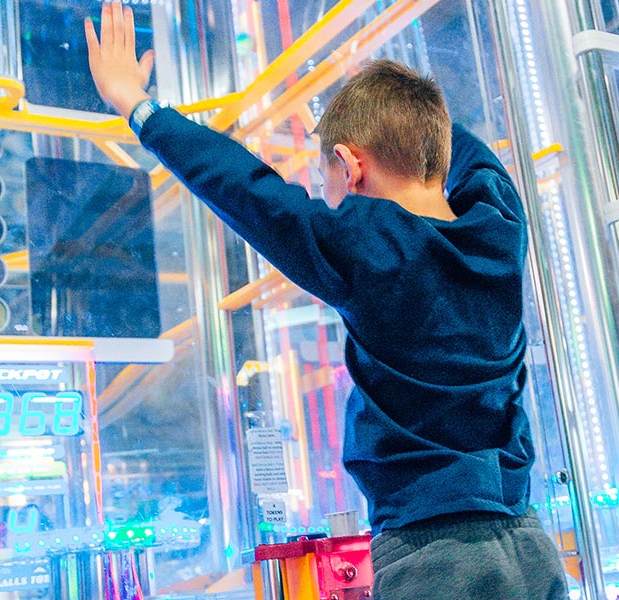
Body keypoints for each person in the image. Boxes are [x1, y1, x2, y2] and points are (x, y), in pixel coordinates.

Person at [85, 3, 568, 598]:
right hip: (529, 543)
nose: (326, 201)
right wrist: (389, 94)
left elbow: (246, 189)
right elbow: (457, 153)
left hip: (434, 557)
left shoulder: (368, 250)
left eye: (326, 185)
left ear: (350, 167)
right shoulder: (499, 227)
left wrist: (139, 107)